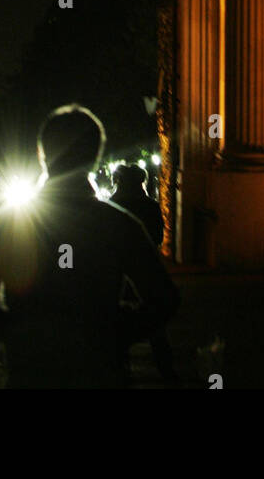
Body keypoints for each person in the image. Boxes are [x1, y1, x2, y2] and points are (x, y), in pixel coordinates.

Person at [0, 104, 179, 388]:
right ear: (96, 157)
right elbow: (165, 298)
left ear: (42, 154)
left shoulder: (11, 222)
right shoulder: (119, 225)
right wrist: (117, 332)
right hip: (102, 369)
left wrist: (18, 333)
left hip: (33, 371)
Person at [111, 163, 179, 384]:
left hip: (117, 275)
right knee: (156, 329)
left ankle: (121, 373)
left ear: (119, 181)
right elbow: (158, 237)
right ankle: (167, 373)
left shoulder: (112, 207)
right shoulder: (150, 206)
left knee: (115, 328)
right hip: (144, 271)